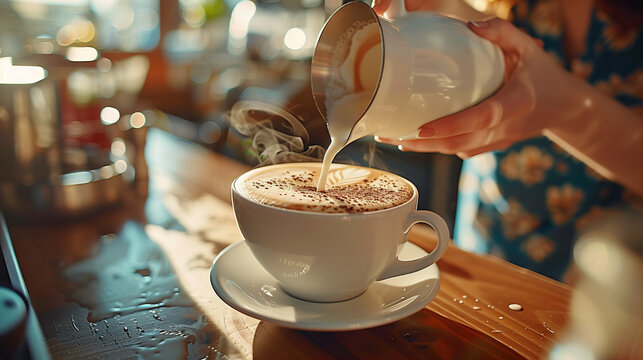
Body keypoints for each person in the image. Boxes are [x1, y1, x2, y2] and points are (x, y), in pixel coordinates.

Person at [373, 0, 643, 282]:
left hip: (612, 281)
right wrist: (446, 9)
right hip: (488, 247)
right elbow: (492, 30)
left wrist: (563, 107)